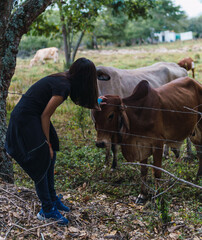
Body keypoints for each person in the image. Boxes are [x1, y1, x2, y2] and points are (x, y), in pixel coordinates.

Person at [5, 57, 99, 226]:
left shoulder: (65, 80)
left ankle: (52, 198)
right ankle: (47, 210)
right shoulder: (62, 87)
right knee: (42, 157)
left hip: (32, 116)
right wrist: (46, 144)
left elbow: (78, 98)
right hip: (25, 119)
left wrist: (97, 102)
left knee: (51, 154)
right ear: (85, 78)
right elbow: (45, 116)